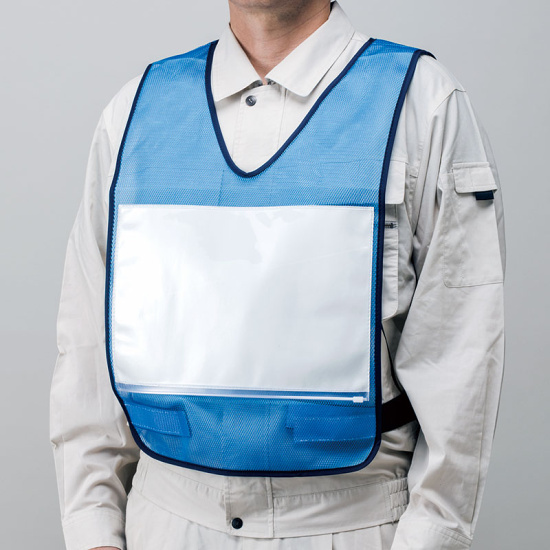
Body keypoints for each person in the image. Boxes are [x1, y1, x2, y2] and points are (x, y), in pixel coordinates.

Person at [50, 1, 506, 549]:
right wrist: (94, 531)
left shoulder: (423, 104)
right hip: (164, 522)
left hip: (349, 525)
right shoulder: (133, 114)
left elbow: (460, 361)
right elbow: (86, 351)